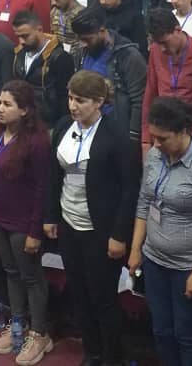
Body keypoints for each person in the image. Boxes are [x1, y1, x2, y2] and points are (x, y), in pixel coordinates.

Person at [43, 70, 142, 366]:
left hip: (100, 230)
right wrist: (51, 215)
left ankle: (112, 356)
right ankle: (92, 351)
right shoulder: (64, 126)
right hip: (69, 224)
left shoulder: (117, 136)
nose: (73, 106)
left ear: (99, 102)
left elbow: (130, 190)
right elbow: (53, 175)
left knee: (103, 297)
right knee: (79, 293)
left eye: (80, 100)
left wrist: (119, 235)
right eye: (70, 98)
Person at [128, 97, 192, 366]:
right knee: (161, 331)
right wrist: (136, 250)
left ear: (183, 132)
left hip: (187, 268)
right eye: (153, 137)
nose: (156, 144)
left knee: (187, 336)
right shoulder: (155, 156)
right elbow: (144, 202)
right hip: (155, 262)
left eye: (163, 138)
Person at [0, 81, 54, 365]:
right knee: (11, 272)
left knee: (31, 277)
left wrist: (35, 230)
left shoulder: (37, 142)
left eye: (7, 104)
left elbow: (42, 189)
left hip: (23, 221)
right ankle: (18, 323)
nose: (0, 109)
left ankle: (40, 333)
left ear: (24, 110)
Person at [142, 9, 192, 153]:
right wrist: (146, 139)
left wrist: (189, 145)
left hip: (191, 136)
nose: (162, 49)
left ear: (178, 30)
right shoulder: (155, 51)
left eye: (164, 42)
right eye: (157, 43)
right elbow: (150, 94)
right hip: (160, 134)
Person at [71, 8, 147, 141]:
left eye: (87, 39)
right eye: (80, 39)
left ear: (101, 31)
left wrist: (133, 135)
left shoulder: (129, 55)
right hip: (87, 128)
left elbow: (139, 100)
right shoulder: (82, 53)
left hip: (118, 131)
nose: (83, 44)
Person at [12, 9, 75, 128]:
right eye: (18, 36)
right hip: (24, 121)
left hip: (50, 124)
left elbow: (65, 98)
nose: (21, 41)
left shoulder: (60, 58)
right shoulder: (18, 54)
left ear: (39, 29)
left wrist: (61, 128)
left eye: (25, 36)